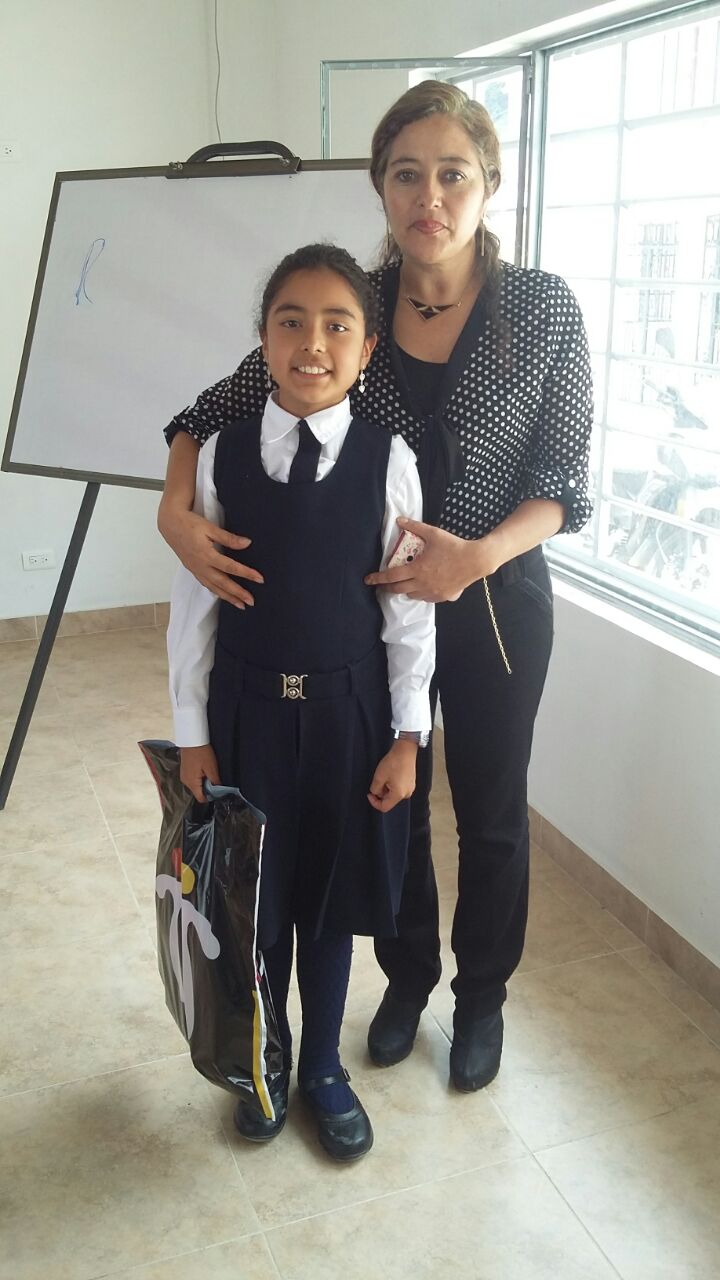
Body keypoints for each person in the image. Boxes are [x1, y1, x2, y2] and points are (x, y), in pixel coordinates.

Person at [159, 81, 593, 1096]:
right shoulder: (352, 301)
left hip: (494, 601)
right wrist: (176, 507)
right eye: (406, 174)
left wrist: (473, 557)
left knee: (489, 810)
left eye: (453, 174)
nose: (428, 196)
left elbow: (565, 483)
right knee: (391, 795)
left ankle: (479, 998)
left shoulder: (541, 308)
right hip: (369, 611)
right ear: (381, 187)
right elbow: (207, 409)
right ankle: (407, 978)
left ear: (489, 183)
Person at [166, 243, 434, 1161]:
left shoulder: (388, 460)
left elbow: (409, 615)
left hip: (348, 722)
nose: (312, 344)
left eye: (336, 326)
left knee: (327, 897)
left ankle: (322, 1064)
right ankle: (266, 1056)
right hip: (245, 716)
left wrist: (407, 736)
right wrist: (193, 734)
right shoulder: (223, 456)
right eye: (291, 322)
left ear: (365, 350)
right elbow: (195, 607)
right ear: (264, 339)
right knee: (258, 903)